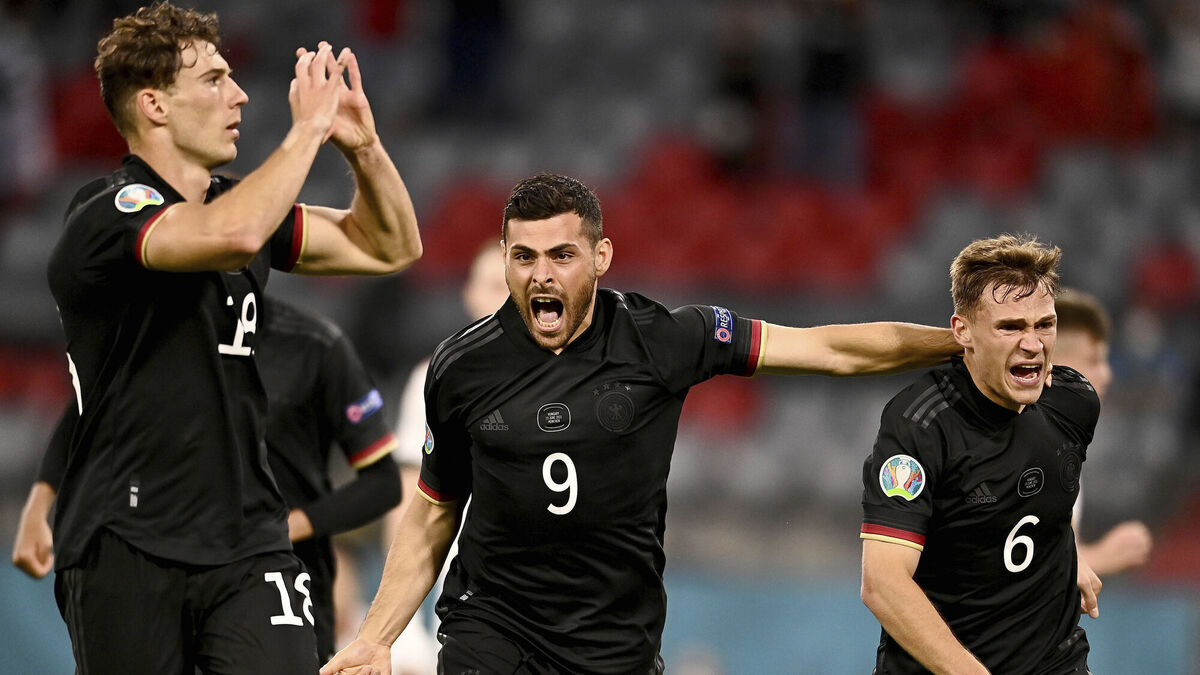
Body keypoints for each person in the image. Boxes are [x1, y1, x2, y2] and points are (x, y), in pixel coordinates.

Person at [322, 172, 962, 675]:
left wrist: (960, 343)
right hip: (491, 629)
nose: (541, 274)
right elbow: (433, 513)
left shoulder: (664, 339)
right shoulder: (460, 367)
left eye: (562, 255)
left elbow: (829, 349)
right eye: (524, 256)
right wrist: (377, 637)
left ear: (601, 255)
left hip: (616, 642)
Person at [40, 2, 421, 672]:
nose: (240, 94)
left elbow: (389, 245)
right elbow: (231, 236)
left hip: (250, 538)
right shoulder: (107, 214)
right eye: (214, 79)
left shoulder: (238, 204)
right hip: (127, 535)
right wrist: (306, 130)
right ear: (154, 104)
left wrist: (361, 146)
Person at [13, 296, 405, 663]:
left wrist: (285, 528)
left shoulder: (314, 344)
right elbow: (86, 415)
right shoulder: (154, 336)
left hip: (286, 579)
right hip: (173, 573)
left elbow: (383, 483)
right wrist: (39, 504)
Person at [859, 234, 1102, 674]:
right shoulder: (922, 425)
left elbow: (1044, 484)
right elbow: (883, 584)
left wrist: (1067, 551)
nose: (1033, 344)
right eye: (1010, 327)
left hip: (1056, 661)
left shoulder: (1073, 401)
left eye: (1044, 325)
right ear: (962, 331)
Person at [387, 240, 509, 674]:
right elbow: (410, 498)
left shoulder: (567, 377)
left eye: (511, 285)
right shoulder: (434, 377)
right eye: (493, 285)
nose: (504, 298)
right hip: (466, 588)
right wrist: (404, 625)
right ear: (469, 294)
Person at [1054, 288, 1154, 576]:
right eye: (1093, 359)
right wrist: (1103, 556)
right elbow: (1017, 568)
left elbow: (1051, 551)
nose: (1107, 375)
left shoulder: (1061, 443)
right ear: (1052, 361)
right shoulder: (1027, 447)